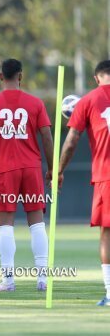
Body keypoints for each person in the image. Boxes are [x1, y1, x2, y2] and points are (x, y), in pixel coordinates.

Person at [0, 59, 53, 292]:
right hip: (31, 169)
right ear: (21, 76)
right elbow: (47, 138)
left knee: (6, 225)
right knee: (37, 223)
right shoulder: (36, 103)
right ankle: (43, 279)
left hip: (5, 170)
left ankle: (9, 280)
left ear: (1, 76)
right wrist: (52, 169)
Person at [58, 60, 110, 306]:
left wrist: (58, 171)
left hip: (106, 175)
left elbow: (71, 142)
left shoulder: (88, 100)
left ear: (96, 78)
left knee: (107, 233)